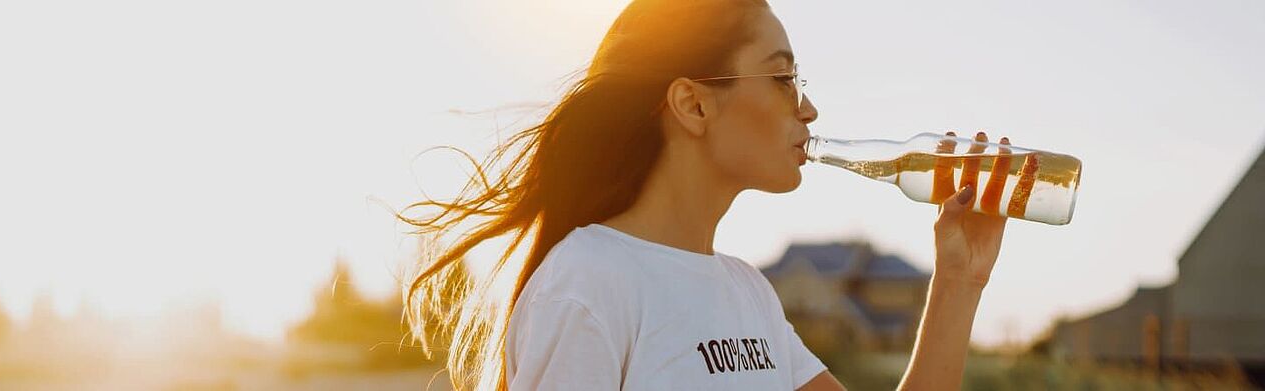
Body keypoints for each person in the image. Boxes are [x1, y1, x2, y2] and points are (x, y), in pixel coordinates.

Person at [399, 0, 1009, 389]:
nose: (809, 108)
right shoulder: (587, 284)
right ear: (693, 104)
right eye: (783, 78)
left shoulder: (749, 294)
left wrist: (959, 281)